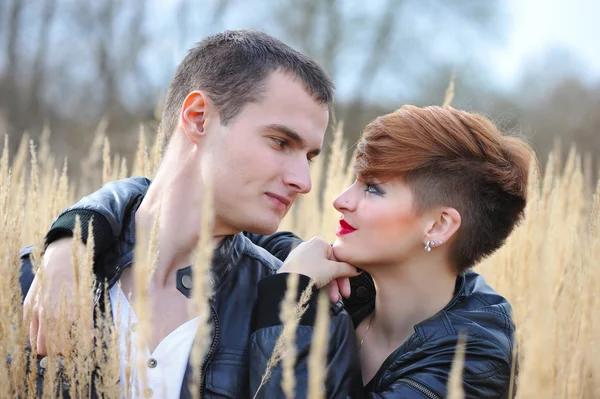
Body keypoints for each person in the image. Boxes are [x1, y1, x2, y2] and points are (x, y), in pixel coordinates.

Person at [25, 104, 533, 398]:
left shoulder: (474, 357)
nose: (339, 198)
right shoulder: (344, 284)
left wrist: (289, 294)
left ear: (441, 224)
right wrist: (72, 243)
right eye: (355, 180)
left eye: (374, 189)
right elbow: (167, 202)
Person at [20, 29, 365, 398]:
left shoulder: (311, 318)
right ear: (199, 118)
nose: (304, 181)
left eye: (310, 157)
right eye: (281, 142)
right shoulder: (27, 281)